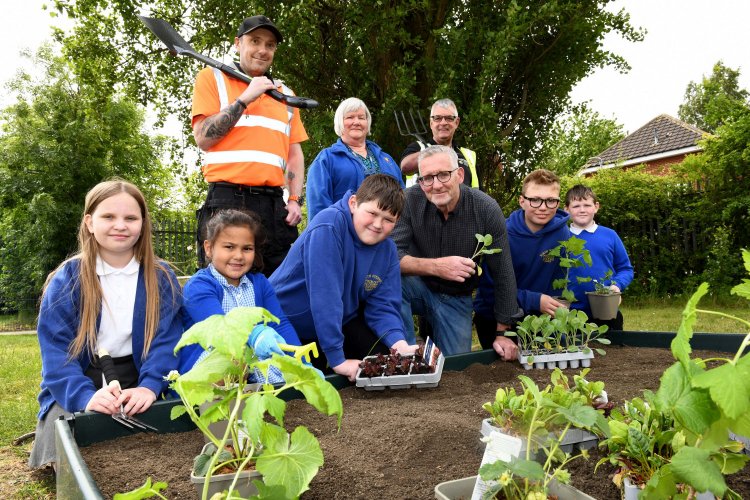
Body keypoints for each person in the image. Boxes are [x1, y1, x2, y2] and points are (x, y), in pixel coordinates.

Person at [29, 180, 183, 470]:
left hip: (137, 374)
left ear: (143, 223)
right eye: (108, 217)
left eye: (130, 218)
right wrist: (86, 397)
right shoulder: (68, 279)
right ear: (89, 222)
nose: (120, 226)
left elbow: (166, 341)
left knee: (151, 453)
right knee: (67, 458)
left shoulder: (160, 277)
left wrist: (149, 388)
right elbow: (57, 354)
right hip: (79, 377)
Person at [269, 174, 416, 381]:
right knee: (306, 386)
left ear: (397, 221)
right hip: (288, 322)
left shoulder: (388, 251)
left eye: (388, 219)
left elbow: (383, 305)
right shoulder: (328, 226)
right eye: (372, 213)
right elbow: (325, 299)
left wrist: (399, 343)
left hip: (339, 321)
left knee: (384, 357)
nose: (377, 224)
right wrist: (339, 360)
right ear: (353, 203)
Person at [191, 15, 308, 275]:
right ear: (238, 44)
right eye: (255, 41)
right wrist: (245, 98)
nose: (262, 50)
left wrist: (295, 200)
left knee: (282, 286)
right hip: (228, 199)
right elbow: (203, 138)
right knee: (226, 291)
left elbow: (294, 155)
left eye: (270, 45)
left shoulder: (285, 93)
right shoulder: (212, 78)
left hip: (274, 205)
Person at [391, 145, 521, 359]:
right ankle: (405, 355)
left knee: (457, 369)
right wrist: (437, 267)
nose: (436, 185)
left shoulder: (485, 209)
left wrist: (503, 332)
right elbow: (389, 257)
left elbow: (504, 273)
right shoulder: (409, 201)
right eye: (427, 178)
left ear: (460, 175)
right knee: (390, 282)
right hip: (418, 287)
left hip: (456, 298)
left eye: (443, 175)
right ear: (420, 182)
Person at [179, 209, 302, 378]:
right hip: (210, 366)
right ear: (208, 248)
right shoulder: (199, 286)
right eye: (229, 247)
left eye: (247, 248)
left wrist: (300, 361)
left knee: (288, 376)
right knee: (233, 365)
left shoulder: (259, 283)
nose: (238, 256)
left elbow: (279, 324)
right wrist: (255, 335)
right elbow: (219, 330)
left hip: (253, 362)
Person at [473, 169, 570, 349]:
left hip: (539, 317)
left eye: (551, 201)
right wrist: (533, 300)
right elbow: (488, 291)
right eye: (535, 200)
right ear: (522, 201)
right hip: (494, 317)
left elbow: (559, 281)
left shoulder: (563, 234)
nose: (543, 207)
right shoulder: (502, 235)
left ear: (558, 203)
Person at [306, 97, 405, 222]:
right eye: (350, 117)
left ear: (367, 123)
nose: (356, 122)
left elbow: (402, 199)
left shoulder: (386, 159)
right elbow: (318, 206)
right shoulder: (326, 160)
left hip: (386, 233)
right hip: (344, 233)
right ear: (339, 123)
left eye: (361, 117)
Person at [565, 184, 634, 330]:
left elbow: (625, 269)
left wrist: (616, 286)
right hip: (570, 313)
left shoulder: (610, 235)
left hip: (607, 312)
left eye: (587, 205)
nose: (582, 210)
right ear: (566, 209)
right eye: (576, 206)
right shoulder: (561, 238)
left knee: (613, 351)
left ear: (596, 207)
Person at [399, 98, 479, 189]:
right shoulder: (418, 147)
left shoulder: (469, 156)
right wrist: (433, 152)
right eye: (438, 118)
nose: (443, 122)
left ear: (456, 122)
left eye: (449, 118)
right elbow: (405, 168)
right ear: (431, 123)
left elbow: (480, 193)